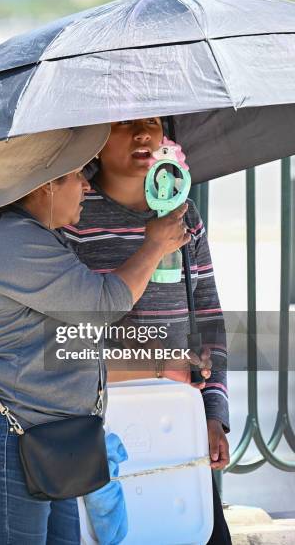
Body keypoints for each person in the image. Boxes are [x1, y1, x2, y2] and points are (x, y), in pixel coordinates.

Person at [0, 125, 209, 545]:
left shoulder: (42, 241)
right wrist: (153, 246)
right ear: (46, 185)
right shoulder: (13, 242)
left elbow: (68, 348)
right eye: (77, 174)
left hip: (44, 439)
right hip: (1, 438)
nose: (86, 184)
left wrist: (162, 362)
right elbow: (101, 305)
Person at [64, 117, 232, 544]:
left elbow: (207, 316)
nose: (142, 134)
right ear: (94, 140)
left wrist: (212, 414)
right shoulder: (71, 215)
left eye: (152, 123)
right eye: (123, 124)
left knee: (194, 531)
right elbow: (64, 335)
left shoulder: (184, 215)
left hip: (176, 421)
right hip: (99, 427)